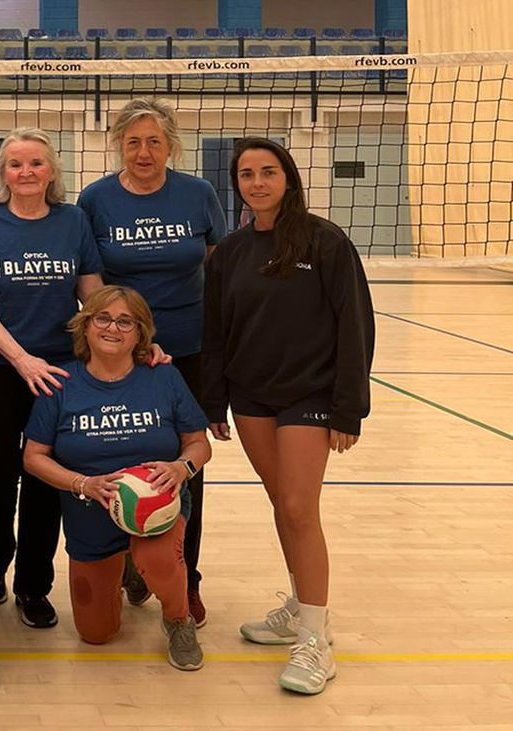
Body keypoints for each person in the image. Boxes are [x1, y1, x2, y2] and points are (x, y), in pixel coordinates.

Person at [202, 137, 374, 695]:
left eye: (268, 172)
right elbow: (217, 334)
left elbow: (356, 325)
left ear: (289, 178)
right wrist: (214, 399)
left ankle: (316, 641)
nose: (256, 182)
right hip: (252, 397)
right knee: (283, 503)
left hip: (311, 395)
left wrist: (350, 406)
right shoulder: (229, 252)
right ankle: (301, 606)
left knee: (300, 507)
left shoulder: (324, 241)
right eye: (246, 174)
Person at [77, 97, 227, 626]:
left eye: (154, 142)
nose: (144, 152)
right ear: (119, 143)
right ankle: (125, 565)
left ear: (171, 147)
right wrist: (123, 338)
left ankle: (186, 578)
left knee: (184, 468)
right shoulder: (96, 198)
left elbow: (220, 272)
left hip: (186, 352)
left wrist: (221, 368)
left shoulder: (198, 194)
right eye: (134, 141)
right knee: (116, 454)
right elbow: (89, 278)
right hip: (120, 350)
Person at [0, 127, 105, 629]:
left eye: (36, 163)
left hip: (58, 367)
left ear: (52, 170)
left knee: (44, 481)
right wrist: (20, 359)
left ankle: (34, 586)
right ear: (3, 174)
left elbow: (95, 297)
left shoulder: (73, 221)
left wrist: (127, 345)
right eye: (15, 164)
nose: (26, 172)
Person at [22, 285, 211, 671]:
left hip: (158, 503)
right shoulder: (60, 383)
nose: (113, 328)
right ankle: (127, 567)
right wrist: (82, 483)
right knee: (96, 634)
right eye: (103, 318)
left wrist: (180, 468)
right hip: (90, 509)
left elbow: (198, 444)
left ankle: (177, 619)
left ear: (141, 333)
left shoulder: (164, 377)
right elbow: (33, 457)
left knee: (158, 559)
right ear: (85, 326)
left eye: (126, 321)